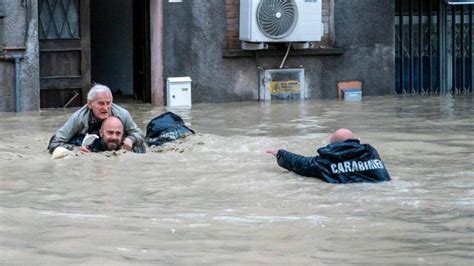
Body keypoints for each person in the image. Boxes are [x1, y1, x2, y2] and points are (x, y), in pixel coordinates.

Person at [267, 128, 391, 184]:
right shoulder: (370, 152)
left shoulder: (327, 160)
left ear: (333, 146)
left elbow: (301, 164)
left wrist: (279, 153)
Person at [47, 84, 146, 153]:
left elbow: (139, 134)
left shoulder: (122, 114)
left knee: (139, 147)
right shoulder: (78, 118)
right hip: (89, 143)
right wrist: (75, 150)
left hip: (114, 143)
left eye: (108, 103)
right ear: (89, 104)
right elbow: (55, 142)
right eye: (101, 103)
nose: (106, 108)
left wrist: (131, 139)